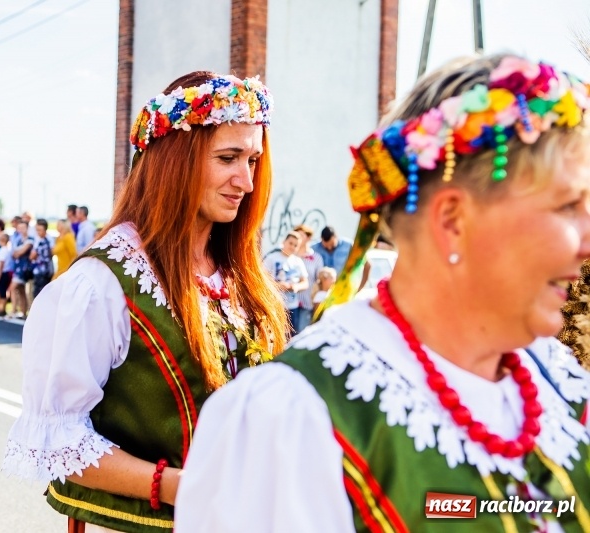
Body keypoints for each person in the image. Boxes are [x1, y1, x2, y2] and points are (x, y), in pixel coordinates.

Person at [176, 55, 590, 532]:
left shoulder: (556, 380)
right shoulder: (297, 420)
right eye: (566, 206)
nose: (585, 238)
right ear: (453, 221)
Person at [3, 71, 287, 533]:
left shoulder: (239, 274)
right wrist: (179, 486)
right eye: (228, 158)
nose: (246, 181)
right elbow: (59, 440)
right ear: (174, 161)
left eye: (252, 160)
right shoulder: (102, 284)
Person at [263, 231, 309, 335]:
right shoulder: (272, 258)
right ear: (284, 242)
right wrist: (278, 286)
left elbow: (305, 283)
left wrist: (295, 287)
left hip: (292, 307)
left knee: (290, 337)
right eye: (291, 243)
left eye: (296, 245)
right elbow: (262, 278)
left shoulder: (298, 261)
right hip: (274, 304)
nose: (292, 247)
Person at [293, 223, 325, 333]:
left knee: (301, 332)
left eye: (301, 236)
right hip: (289, 301)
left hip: (307, 302)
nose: (299, 239)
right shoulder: (290, 255)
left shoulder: (316, 258)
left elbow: (319, 280)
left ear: (308, 238)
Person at [9, 220, 34, 318]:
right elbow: (14, 253)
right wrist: (17, 252)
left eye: (23, 228)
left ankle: (14, 310)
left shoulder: (30, 239)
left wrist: (17, 252)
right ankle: (23, 312)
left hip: (24, 268)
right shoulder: (19, 240)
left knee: (13, 287)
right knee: (21, 290)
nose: (21, 230)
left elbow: (20, 252)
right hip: (18, 266)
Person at [0, 233, 12, 317]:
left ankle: (2, 308)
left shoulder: (4, 250)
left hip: (2, 273)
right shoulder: (5, 249)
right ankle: (0, 307)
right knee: (2, 291)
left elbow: (1, 264)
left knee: (2, 291)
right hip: (3, 273)